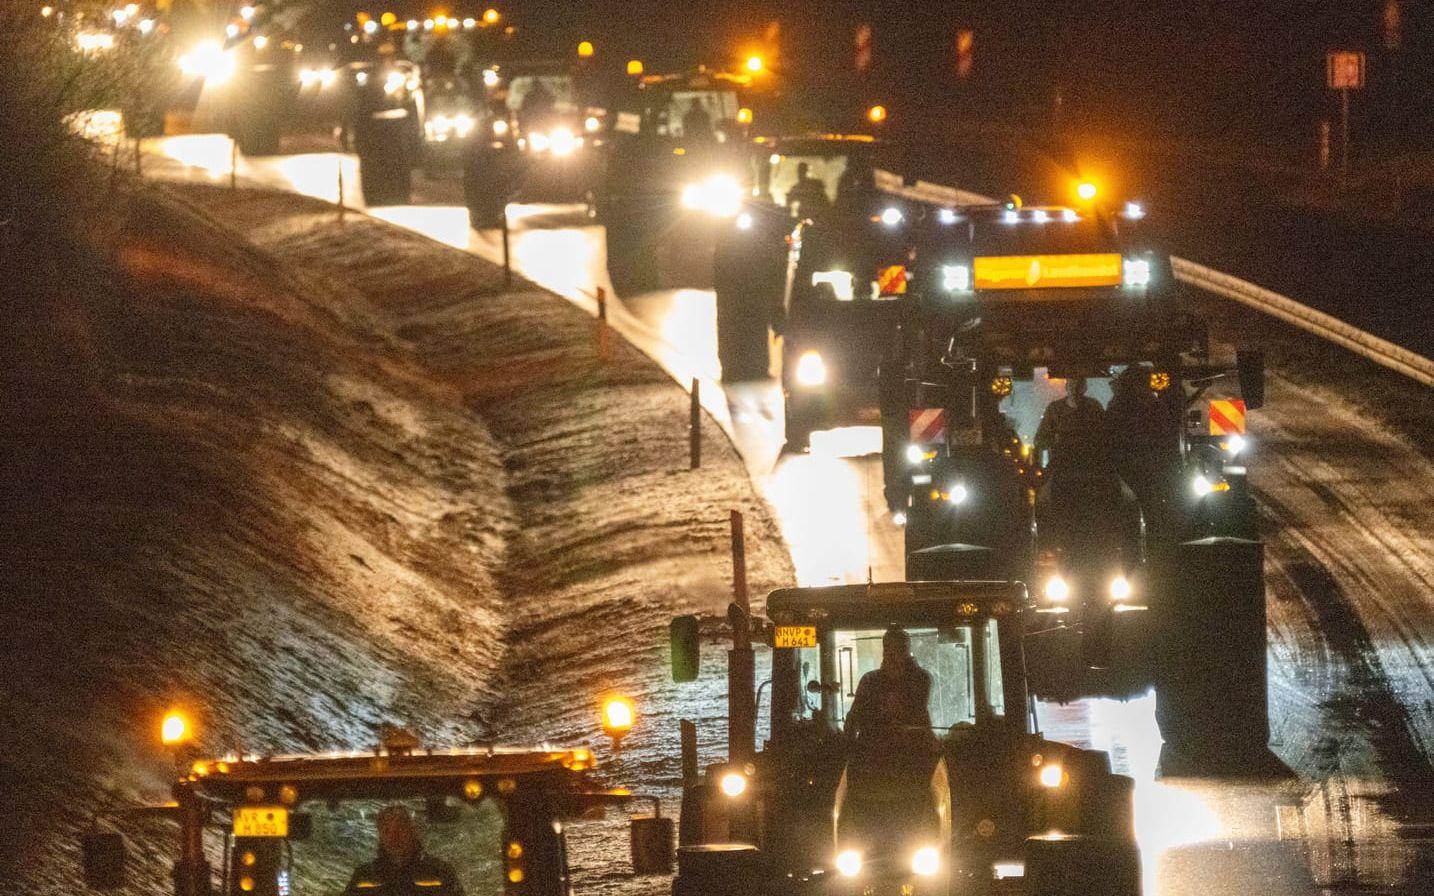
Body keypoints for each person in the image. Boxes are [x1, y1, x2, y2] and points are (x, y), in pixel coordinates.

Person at [345, 805, 464, 895]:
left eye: (400, 829)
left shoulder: (440, 873)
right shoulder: (363, 876)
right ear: (380, 836)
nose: (394, 837)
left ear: (412, 832)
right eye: (386, 831)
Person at [845, 627, 933, 741]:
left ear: (907, 653)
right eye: (889, 650)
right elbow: (854, 719)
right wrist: (850, 749)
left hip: (909, 750)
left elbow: (918, 717)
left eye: (900, 650)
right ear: (884, 652)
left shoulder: (920, 679)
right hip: (874, 751)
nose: (894, 655)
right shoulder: (869, 681)